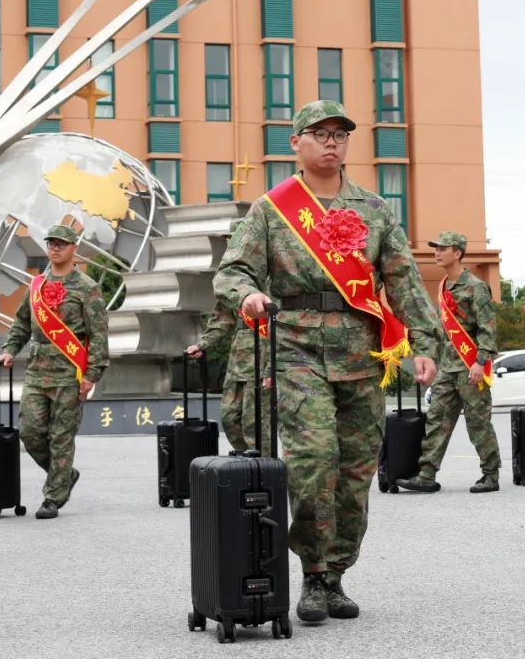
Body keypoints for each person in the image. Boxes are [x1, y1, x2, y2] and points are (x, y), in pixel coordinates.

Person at [213, 100, 440, 624]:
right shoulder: (272, 209)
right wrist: (247, 295)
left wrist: (426, 343)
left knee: (357, 469)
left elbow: (403, 280)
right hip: (294, 347)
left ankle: (337, 575)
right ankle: (312, 574)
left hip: (361, 352)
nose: (332, 141)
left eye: (340, 133)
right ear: (296, 143)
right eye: (319, 133)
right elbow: (231, 273)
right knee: (314, 460)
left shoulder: (375, 209)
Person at [0, 224, 109, 519]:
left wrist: (91, 375)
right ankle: (64, 475)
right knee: (30, 432)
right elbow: (22, 322)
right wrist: (10, 349)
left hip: (69, 374)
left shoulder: (87, 288)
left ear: (74, 249)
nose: (55, 248)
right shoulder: (36, 287)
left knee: (61, 437)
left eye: (61, 243)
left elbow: (98, 335)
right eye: (51, 243)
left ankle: (53, 497)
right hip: (36, 372)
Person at [396, 231, 501, 494]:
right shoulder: (444, 286)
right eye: (436, 247)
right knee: (437, 419)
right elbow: (442, 331)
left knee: (478, 423)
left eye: (443, 248)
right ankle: (427, 475)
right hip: (448, 367)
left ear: (458, 252)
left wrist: (480, 361)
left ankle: (491, 475)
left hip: (469, 367)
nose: (437, 252)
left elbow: (487, 328)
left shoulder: (475, 287)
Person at [186, 301, 270, 453]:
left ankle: (263, 466)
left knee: (254, 423)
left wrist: (271, 368)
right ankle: (247, 460)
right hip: (238, 363)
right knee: (229, 418)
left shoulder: (271, 283)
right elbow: (221, 321)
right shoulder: (234, 289)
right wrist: (202, 345)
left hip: (262, 362)